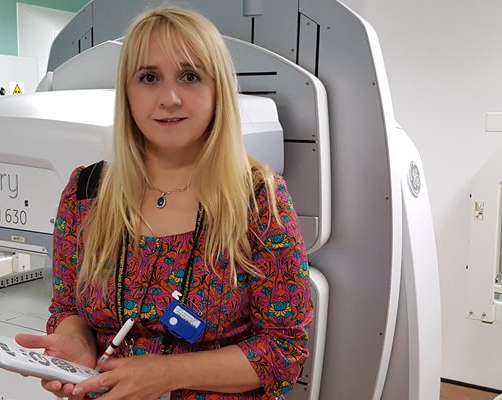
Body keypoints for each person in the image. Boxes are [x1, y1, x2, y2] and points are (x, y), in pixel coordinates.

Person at [16, 6, 312, 400]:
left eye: (190, 77)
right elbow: (67, 305)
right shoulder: (86, 192)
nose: (169, 98)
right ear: (128, 92)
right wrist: (76, 345)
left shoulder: (258, 200)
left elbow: (284, 349)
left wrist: (165, 374)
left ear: (217, 90)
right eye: (149, 78)